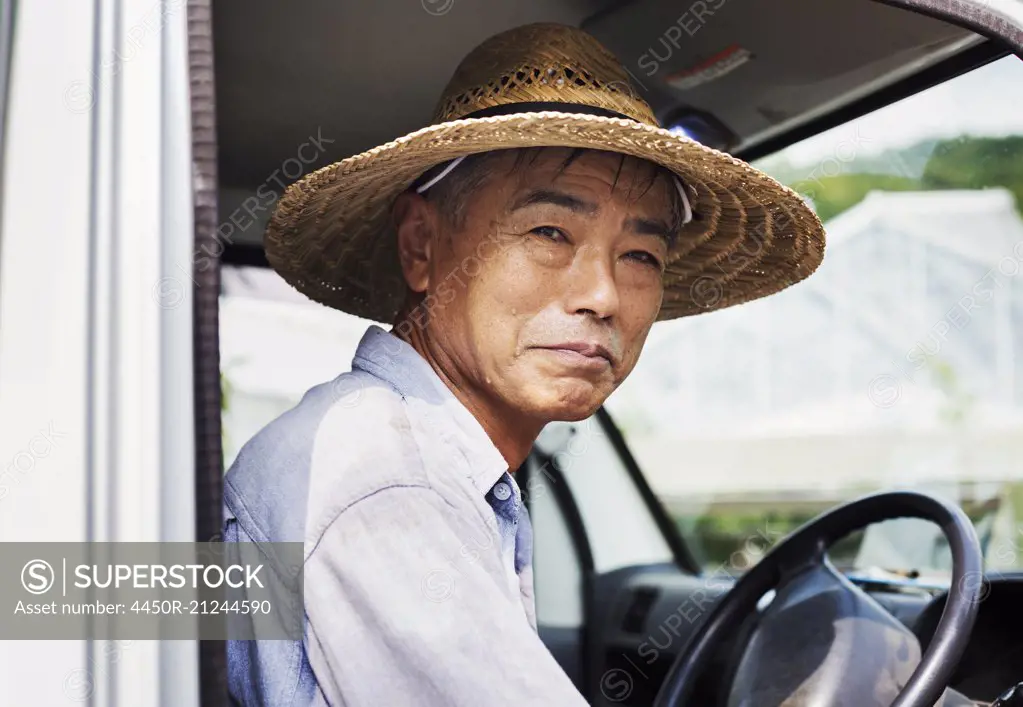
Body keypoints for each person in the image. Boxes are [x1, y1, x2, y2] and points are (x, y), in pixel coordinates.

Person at [223, 21, 825, 706]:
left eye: (639, 255)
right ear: (422, 245)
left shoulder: (410, 455)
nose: (601, 296)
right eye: (547, 232)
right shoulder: (386, 476)